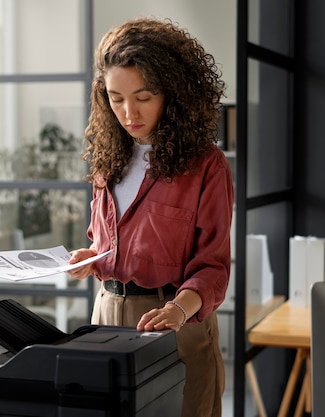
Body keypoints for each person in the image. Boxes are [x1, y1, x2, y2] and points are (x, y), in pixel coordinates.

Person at [68, 17, 234, 417]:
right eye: (116, 97)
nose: (128, 112)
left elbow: (213, 267)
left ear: (171, 92)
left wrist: (178, 310)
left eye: (143, 97)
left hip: (175, 324)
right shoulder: (109, 157)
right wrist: (90, 258)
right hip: (105, 318)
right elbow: (107, 240)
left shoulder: (206, 166)